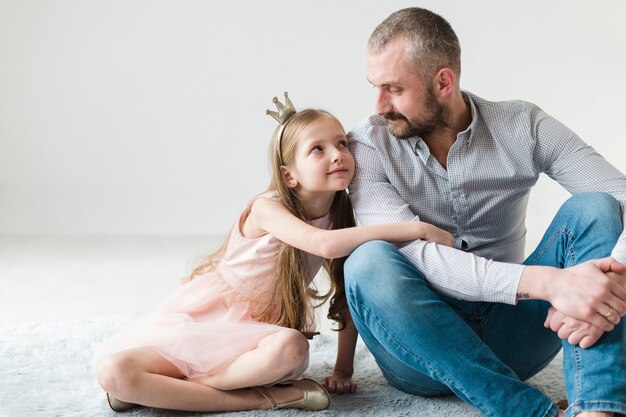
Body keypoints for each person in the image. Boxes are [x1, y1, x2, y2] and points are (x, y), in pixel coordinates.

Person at [93, 93, 455, 413]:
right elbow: (321, 244)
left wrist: (343, 369)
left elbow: (347, 295)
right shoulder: (268, 207)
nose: (338, 155)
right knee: (113, 372)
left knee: (293, 348)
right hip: (213, 319)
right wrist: (417, 228)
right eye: (319, 149)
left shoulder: (341, 216)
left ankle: (171, 393)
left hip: (260, 335)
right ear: (290, 174)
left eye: (343, 143)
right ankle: (268, 398)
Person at [344, 7, 626, 417]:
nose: (379, 104)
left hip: (517, 333)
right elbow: (419, 253)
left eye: (393, 88)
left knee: (596, 208)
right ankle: (529, 412)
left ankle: (597, 411)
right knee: (367, 260)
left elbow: (621, 196)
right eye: (374, 86)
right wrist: (550, 283)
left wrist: (610, 286)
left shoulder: (522, 125)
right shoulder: (368, 146)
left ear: (443, 81)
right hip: (420, 351)